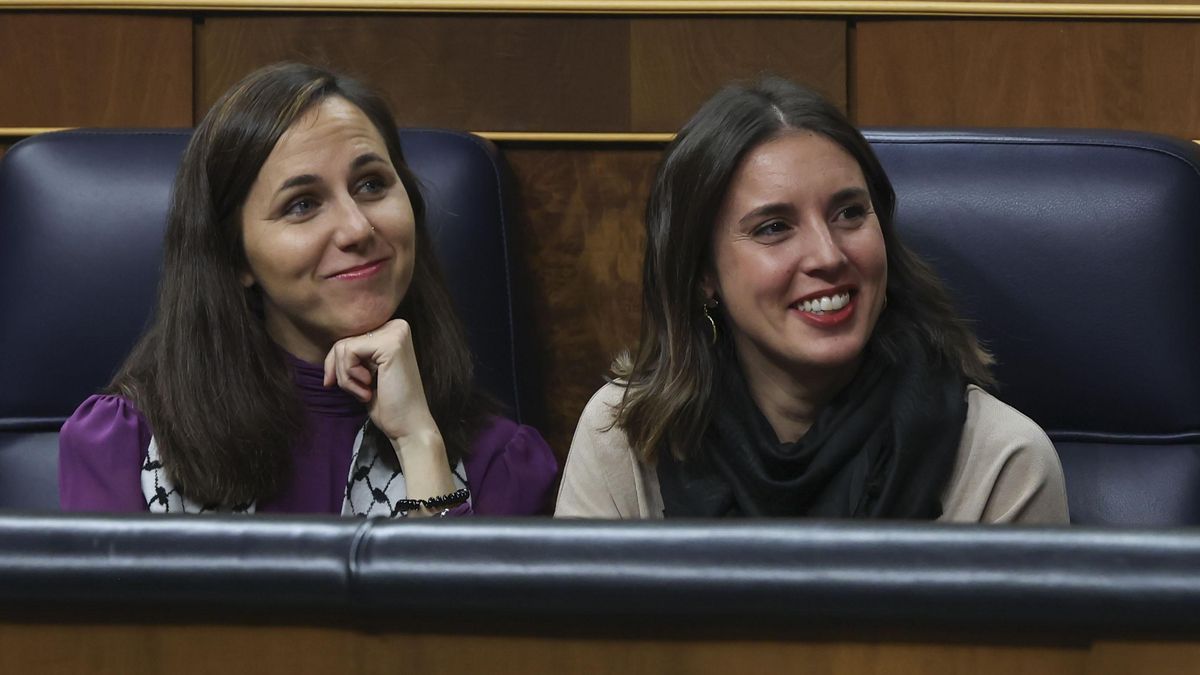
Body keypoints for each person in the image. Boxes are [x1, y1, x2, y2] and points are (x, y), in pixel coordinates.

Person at [556, 77, 1068, 522]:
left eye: (849, 213)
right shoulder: (624, 436)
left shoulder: (1001, 460)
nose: (827, 255)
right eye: (775, 227)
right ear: (702, 275)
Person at [59, 63, 557, 516]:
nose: (357, 229)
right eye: (302, 204)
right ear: (236, 258)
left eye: (371, 184)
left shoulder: (501, 461)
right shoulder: (125, 445)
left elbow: (454, 618)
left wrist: (420, 443)